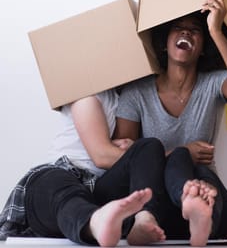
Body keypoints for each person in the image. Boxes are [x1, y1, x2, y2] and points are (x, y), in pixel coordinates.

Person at [114, 0, 227, 246]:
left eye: (195, 31)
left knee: (201, 176)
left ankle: (200, 215)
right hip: (154, 201)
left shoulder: (212, 84)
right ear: (164, 42)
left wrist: (215, 29)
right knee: (180, 157)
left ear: (203, 47)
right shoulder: (137, 93)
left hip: (206, 189)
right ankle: (182, 212)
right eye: (178, 28)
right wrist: (179, 152)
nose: (186, 33)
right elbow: (124, 160)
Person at [0, 89, 169, 247]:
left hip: (96, 187)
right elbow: (101, 156)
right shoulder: (86, 92)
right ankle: (95, 222)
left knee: (150, 145)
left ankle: (143, 219)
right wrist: (125, 151)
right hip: (62, 174)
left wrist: (136, 151)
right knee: (62, 188)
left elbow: (129, 156)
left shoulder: (126, 100)